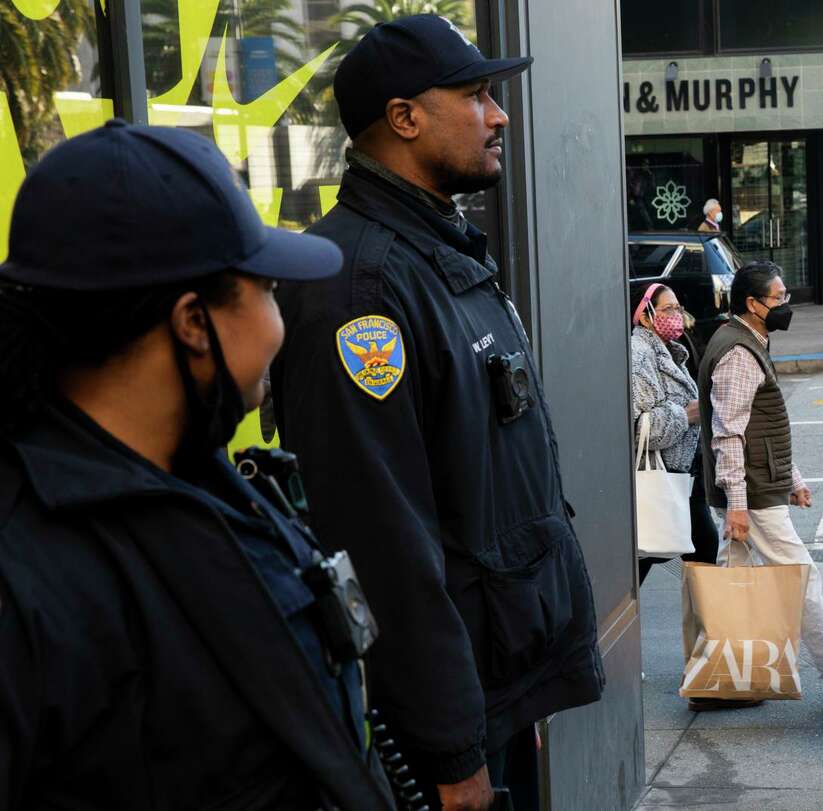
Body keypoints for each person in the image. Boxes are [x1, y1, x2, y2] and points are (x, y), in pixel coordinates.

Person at [0, 121, 396, 809]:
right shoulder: (26, 573)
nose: (280, 322)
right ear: (192, 322)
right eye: (268, 289)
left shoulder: (203, 479)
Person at [268, 16, 603, 811]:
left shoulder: (439, 251)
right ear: (404, 118)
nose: (501, 115)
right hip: (446, 738)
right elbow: (383, 542)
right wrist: (455, 752)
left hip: (493, 691)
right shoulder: (362, 292)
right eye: (477, 95)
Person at [697, 261, 823, 711]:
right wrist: (737, 503)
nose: (786, 304)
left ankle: (717, 681)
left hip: (752, 488)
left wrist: (791, 479)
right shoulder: (738, 352)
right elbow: (729, 432)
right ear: (752, 304)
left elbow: (760, 425)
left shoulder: (749, 340)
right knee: (799, 577)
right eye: (778, 298)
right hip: (750, 495)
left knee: (734, 580)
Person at [631, 284, 720, 585]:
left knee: (700, 546)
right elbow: (641, 427)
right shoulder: (639, 355)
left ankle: (706, 625)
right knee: (650, 551)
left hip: (683, 477)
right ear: (645, 316)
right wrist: (687, 414)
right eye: (668, 309)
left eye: (678, 308)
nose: (677, 315)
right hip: (662, 476)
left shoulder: (671, 352)